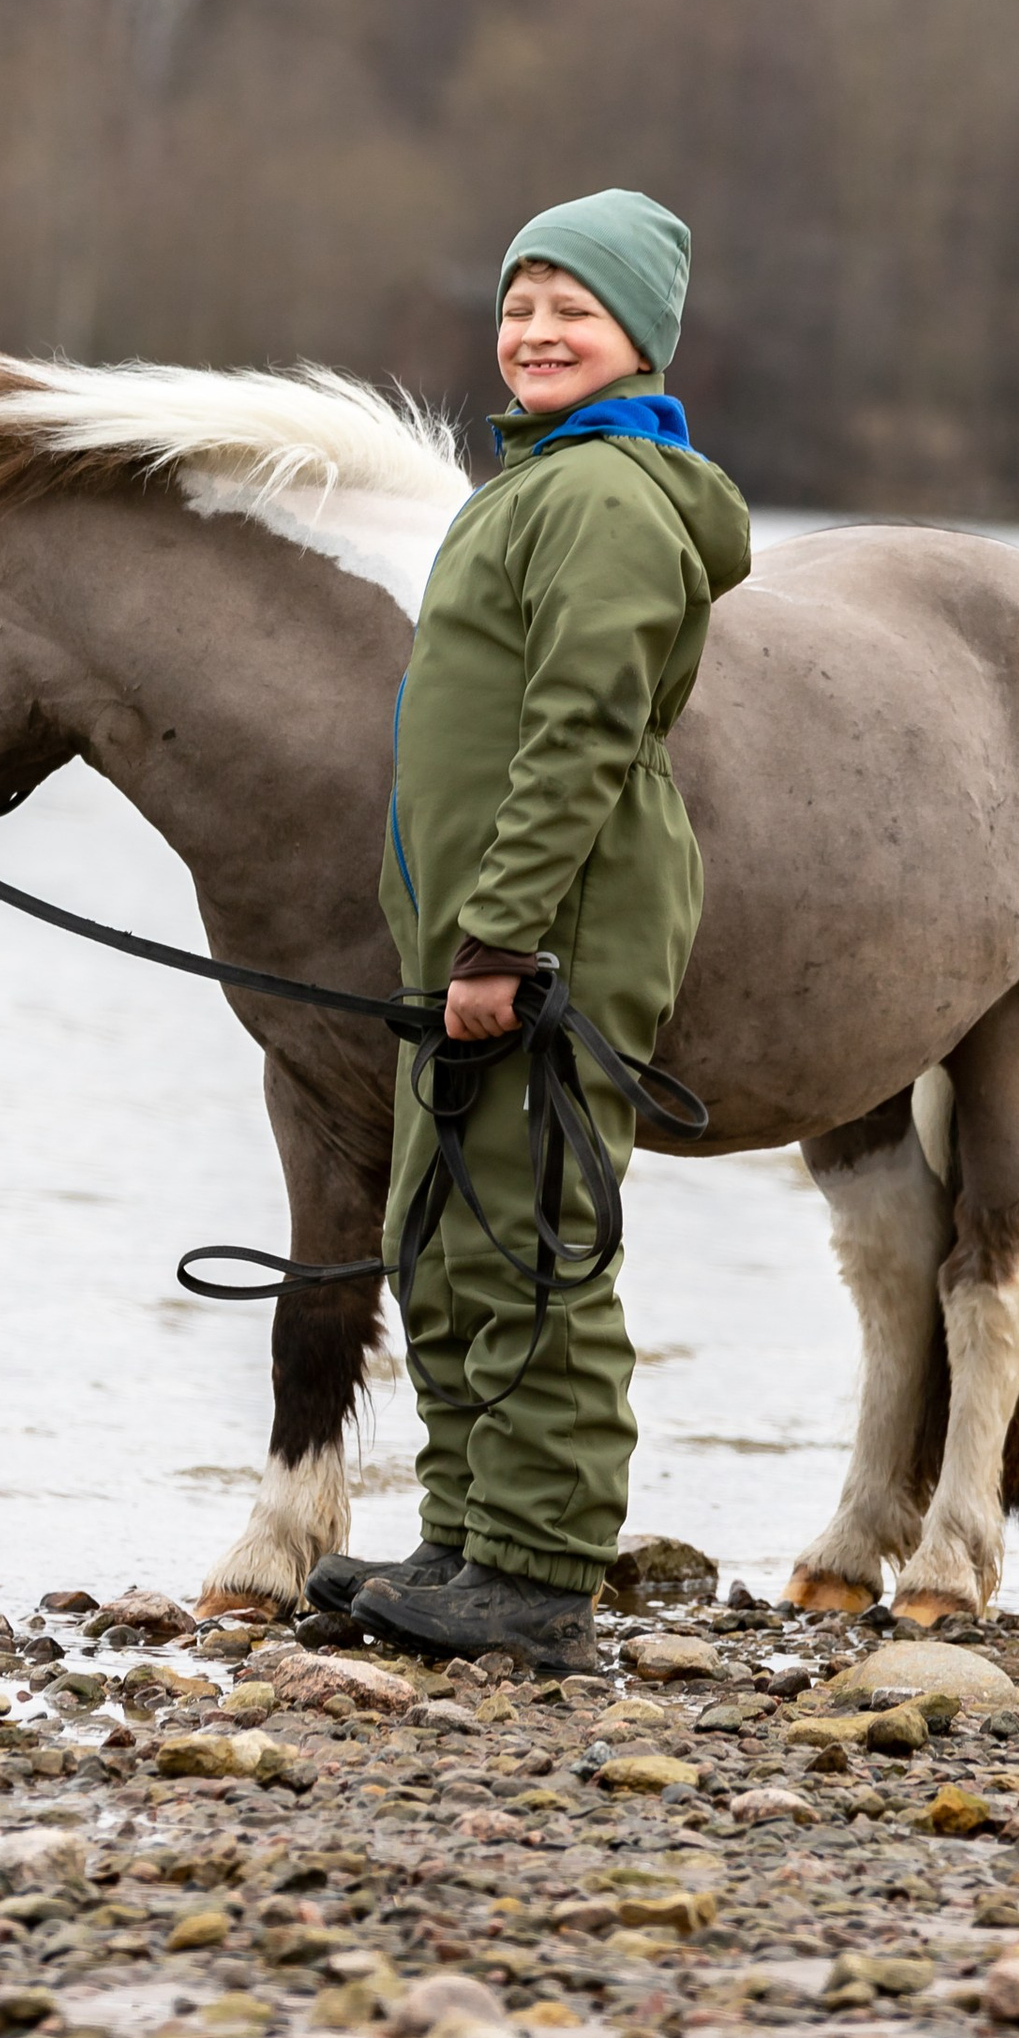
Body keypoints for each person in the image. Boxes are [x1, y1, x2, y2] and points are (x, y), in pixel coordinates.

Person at [309, 188, 751, 1673]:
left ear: (641, 338)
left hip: (560, 930)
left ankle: (542, 1576)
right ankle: (466, 1538)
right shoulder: (530, 485)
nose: (538, 332)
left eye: (575, 309)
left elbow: (580, 733)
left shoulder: (607, 499)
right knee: (443, 1236)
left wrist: (502, 942)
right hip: (473, 939)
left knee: (534, 1238)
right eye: (519, 306)